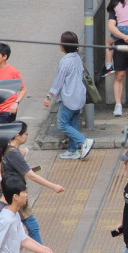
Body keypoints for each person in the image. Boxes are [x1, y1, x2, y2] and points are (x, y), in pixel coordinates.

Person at [0, 122, 65, 253]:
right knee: (31, 227)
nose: (27, 136)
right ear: (18, 136)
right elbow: (31, 176)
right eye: (26, 134)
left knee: (19, 230)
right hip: (16, 195)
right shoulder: (13, 153)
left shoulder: (8, 150)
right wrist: (53, 186)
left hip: (10, 193)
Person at [45, 31, 91, 160]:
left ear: (64, 45)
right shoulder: (77, 58)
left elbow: (58, 81)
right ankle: (72, 150)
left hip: (69, 97)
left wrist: (49, 96)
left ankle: (84, 141)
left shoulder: (65, 62)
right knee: (72, 123)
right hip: (80, 95)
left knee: (63, 124)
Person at [0, 43, 27, 124]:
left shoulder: (13, 71)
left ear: (4, 57)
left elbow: (23, 89)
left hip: (8, 109)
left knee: (3, 133)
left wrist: (16, 103)